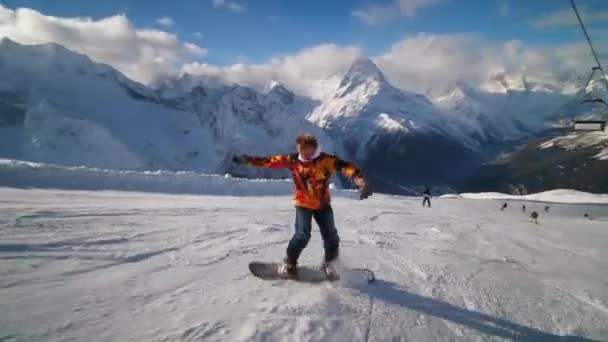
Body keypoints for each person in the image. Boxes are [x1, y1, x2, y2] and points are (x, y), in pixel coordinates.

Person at [232, 133, 372, 279]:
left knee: (331, 236)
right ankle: (289, 265)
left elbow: (347, 167)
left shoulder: (326, 160)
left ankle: (330, 265)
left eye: (307, 149)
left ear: (314, 148)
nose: (303, 153)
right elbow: (268, 161)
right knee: (302, 235)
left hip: (322, 205)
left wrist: (360, 180)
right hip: (303, 203)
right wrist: (246, 160)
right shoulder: (293, 160)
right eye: (301, 149)